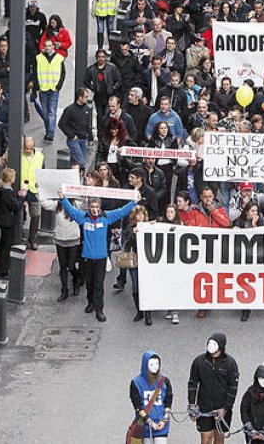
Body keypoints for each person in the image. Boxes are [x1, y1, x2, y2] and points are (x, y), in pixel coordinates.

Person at [58, 194, 137, 322]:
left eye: (96, 207)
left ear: (100, 207)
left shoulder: (106, 216)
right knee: (89, 284)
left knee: (99, 285)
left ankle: (99, 310)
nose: (94, 209)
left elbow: (122, 211)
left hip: (101, 258)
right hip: (87, 258)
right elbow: (71, 210)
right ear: (88, 208)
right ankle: (90, 303)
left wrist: (133, 202)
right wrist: (63, 198)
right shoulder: (83, 217)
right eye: (92, 207)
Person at [187, 332, 240, 443]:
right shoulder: (199, 362)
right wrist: (192, 404)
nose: (210, 346)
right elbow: (192, 383)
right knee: (206, 439)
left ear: (221, 346)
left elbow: (233, 388)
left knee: (219, 439)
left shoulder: (230, 363)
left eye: (214, 343)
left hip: (222, 409)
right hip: (204, 408)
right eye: (209, 343)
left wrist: (225, 408)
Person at [130, 351, 172, 442]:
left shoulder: (165, 381)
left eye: (157, 363)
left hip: (161, 425)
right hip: (144, 426)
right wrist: (149, 421)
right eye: (151, 364)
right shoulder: (136, 383)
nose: (155, 367)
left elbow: (168, 403)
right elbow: (138, 406)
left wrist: (164, 420)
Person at [0, 168, 25, 278]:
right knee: (7, 246)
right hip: (8, 222)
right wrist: (22, 198)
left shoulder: (1, 190)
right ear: (10, 179)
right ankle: (3, 271)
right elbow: (15, 206)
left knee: (2, 244)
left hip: (2, 220)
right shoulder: (7, 193)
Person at [238, 364, 264, 443]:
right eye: (261, 378)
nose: (263, 381)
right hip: (251, 431)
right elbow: (244, 410)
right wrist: (249, 427)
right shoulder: (250, 392)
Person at [58, 88, 94, 171]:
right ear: (80, 97)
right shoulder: (69, 109)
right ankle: (83, 180)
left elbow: (89, 125)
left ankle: (71, 177)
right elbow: (62, 123)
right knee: (81, 162)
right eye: (85, 97)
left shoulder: (87, 109)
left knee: (74, 162)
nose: (87, 98)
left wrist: (90, 138)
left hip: (83, 139)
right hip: (74, 140)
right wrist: (71, 135)